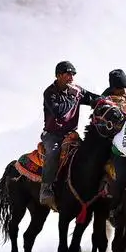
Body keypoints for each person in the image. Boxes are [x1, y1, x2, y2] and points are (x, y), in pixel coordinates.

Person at [40, 61, 101, 211]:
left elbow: (94, 98)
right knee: (53, 153)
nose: (71, 77)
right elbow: (58, 112)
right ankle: (45, 189)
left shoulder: (77, 91)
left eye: (73, 74)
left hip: (71, 135)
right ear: (58, 75)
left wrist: (107, 100)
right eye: (68, 74)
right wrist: (73, 98)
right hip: (52, 135)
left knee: (86, 155)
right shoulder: (50, 92)